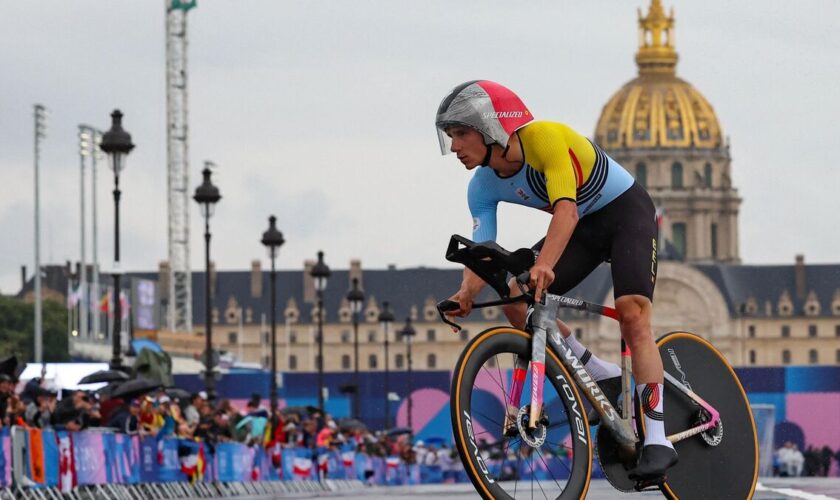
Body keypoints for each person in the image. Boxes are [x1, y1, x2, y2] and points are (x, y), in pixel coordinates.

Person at [436, 80, 675, 480]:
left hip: (623, 215)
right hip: (582, 230)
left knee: (633, 315)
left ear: (489, 127)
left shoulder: (544, 138)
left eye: (461, 133)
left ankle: (657, 438)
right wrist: (465, 292)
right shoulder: (480, 185)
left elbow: (567, 210)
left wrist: (545, 264)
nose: (455, 146)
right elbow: (483, 248)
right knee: (512, 294)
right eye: (450, 137)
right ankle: (598, 372)